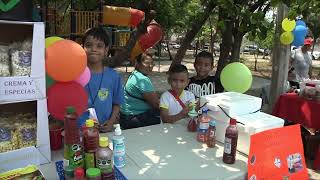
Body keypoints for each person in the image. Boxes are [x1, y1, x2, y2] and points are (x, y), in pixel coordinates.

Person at [78, 27, 124, 132]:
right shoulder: (75, 75)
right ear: (82, 47)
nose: (94, 49)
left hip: (104, 131)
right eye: (89, 45)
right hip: (80, 131)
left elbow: (117, 103)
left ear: (106, 50)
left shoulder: (113, 76)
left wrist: (111, 122)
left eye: (99, 46)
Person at [120, 52, 160, 129]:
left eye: (152, 63)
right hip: (134, 118)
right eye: (147, 63)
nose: (150, 66)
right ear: (137, 63)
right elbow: (156, 104)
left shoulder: (134, 74)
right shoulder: (142, 79)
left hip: (125, 116)